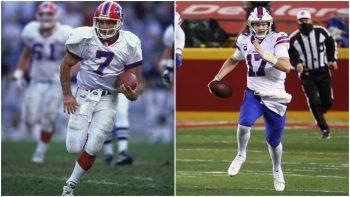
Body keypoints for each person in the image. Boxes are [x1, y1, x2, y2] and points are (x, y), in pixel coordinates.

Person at [59, 1, 142, 195]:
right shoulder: (85, 37)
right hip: (83, 94)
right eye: (101, 22)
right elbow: (65, 66)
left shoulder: (130, 42)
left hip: (109, 99)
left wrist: (131, 95)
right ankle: (87, 133)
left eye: (109, 22)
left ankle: (70, 185)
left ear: (119, 22)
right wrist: (67, 95)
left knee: (95, 144)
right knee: (73, 147)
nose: (104, 26)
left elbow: (134, 83)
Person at [208, 7, 291, 191]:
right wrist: (217, 77)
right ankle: (240, 154)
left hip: (275, 96)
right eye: (257, 24)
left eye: (263, 24)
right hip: (253, 93)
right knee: (244, 124)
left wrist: (266, 55)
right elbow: (232, 60)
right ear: (250, 25)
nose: (261, 27)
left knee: (273, 141)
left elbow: (286, 66)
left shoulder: (278, 39)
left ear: (269, 24)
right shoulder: (244, 39)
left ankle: (277, 169)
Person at [12, 1, 73, 163]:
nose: (46, 17)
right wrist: (19, 74)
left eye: (49, 14)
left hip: (56, 82)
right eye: (43, 14)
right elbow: (26, 55)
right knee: (29, 119)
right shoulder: (31, 31)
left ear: (56, 16)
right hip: (37, 80)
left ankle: (40, 151)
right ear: (38, 15)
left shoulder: (65, 33)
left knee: (50, 115)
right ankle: (38, 124)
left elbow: (77, 60)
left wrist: (64, 75)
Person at [289, 10, 337, 139]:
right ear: (298, 22)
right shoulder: (294, 38)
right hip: (307, 74)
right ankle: (324, 128)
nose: (304, 22)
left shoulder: (321, 32)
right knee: (313, 100)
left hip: (322, 71)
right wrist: (296, 64)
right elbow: (290, 55)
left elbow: (331, 44)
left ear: (310, 19)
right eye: (301, 20)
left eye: (306, 20)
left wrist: (332, 59)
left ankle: (317, 112)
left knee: (328, 101)